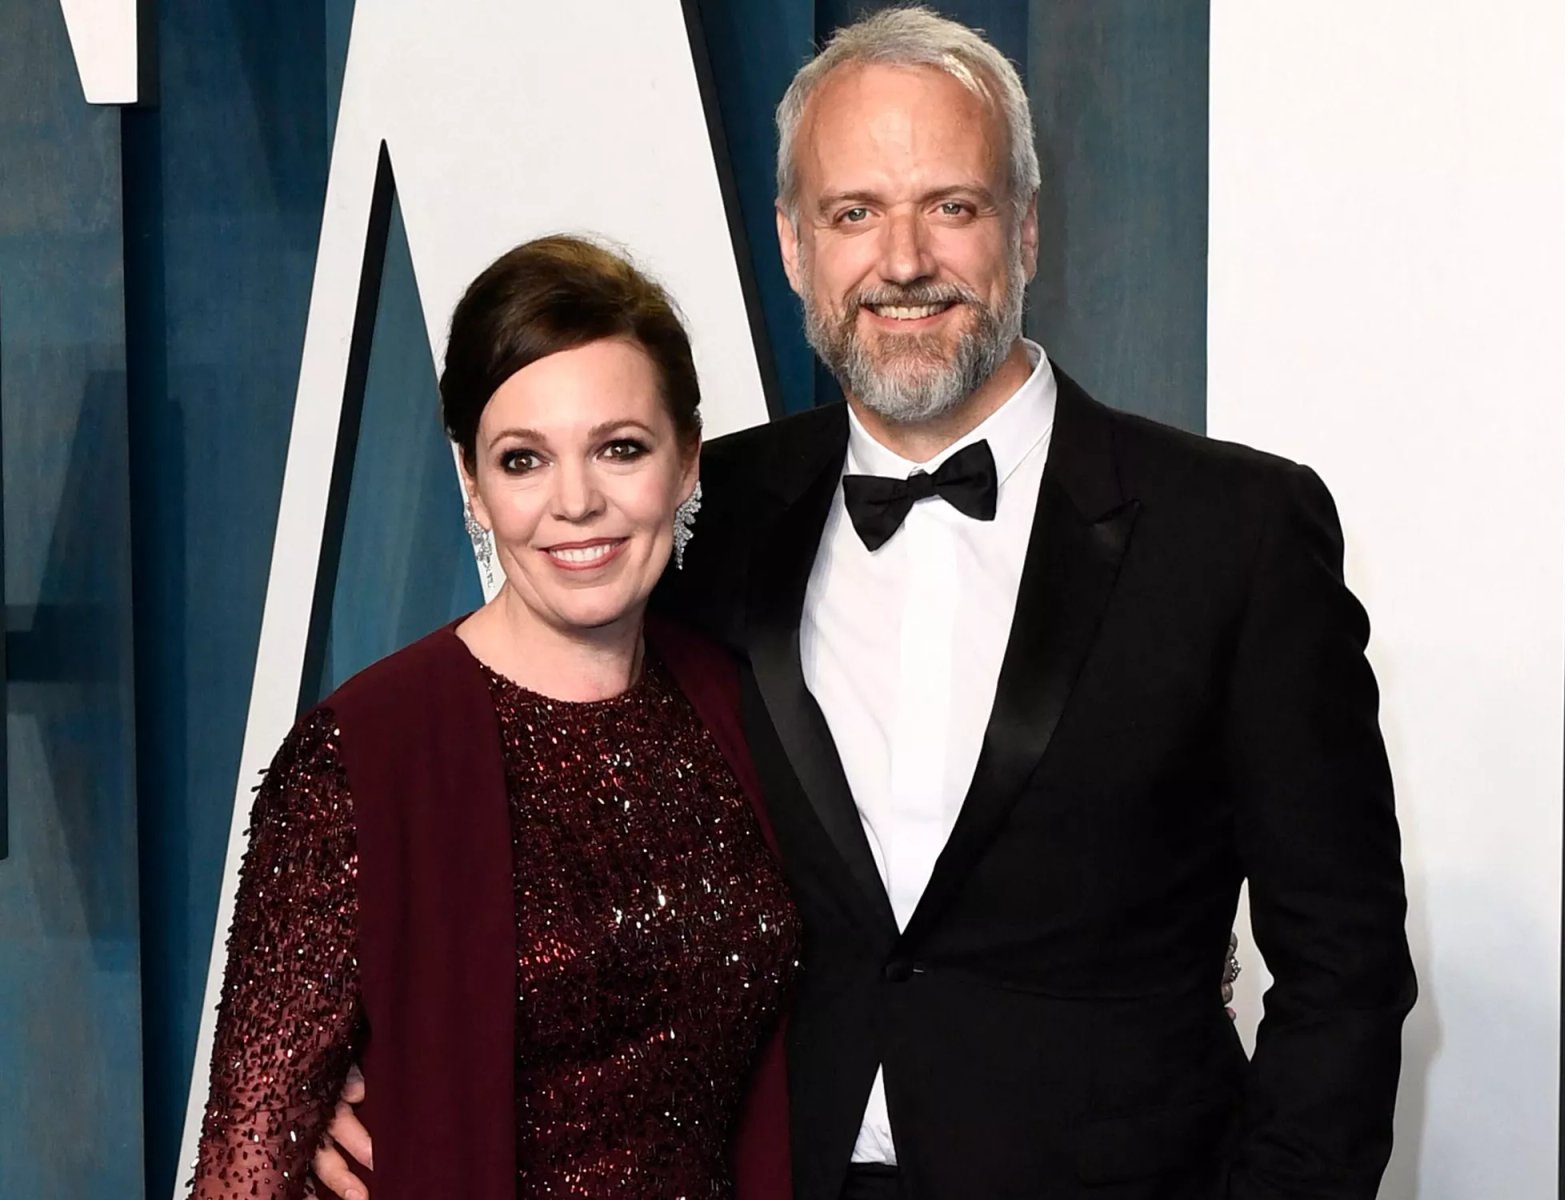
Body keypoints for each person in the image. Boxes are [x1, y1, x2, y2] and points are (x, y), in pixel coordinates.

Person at [317, 8, 1416, 1199]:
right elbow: (531, 795)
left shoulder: (1235, 534)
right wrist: (365, 1059)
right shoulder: (699, 514)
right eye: (853, 213)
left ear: (1026, 230)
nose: (902, 259)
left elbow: (1342, 966)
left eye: (951, 204)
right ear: (793, 245)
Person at [187, 235, 799, 1200]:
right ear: (473, 483)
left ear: (687, 462)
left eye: (621, 448)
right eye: (524, 460)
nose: (576, 503)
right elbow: (242, 1170)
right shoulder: (363, 757)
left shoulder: (738, 706)